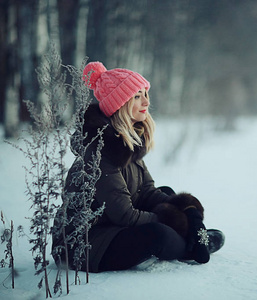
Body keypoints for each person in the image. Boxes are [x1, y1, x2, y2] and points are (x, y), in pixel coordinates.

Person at [52, 61, 224, 273]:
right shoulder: (100, 152)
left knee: (167, 194)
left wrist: (186, 209)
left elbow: (148, 192)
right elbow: (124, 215)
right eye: (137, 96)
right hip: (85, 246)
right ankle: (192, 245)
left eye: (145, 93)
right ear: (119, 104)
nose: (146, 101)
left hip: (110, 229)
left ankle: (197, 236)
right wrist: (175, 221)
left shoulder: (124, 141)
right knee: (157, 233)